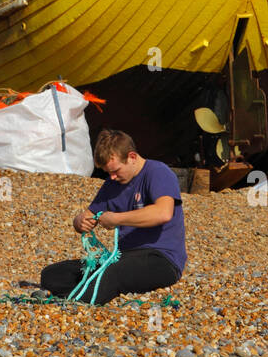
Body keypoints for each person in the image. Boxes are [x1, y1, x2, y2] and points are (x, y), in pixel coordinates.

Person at [39, 129, 187, 305]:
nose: (113, 177)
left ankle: (76, 302)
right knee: (52, 274)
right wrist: (80, 222)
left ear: (132, 157)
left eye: (116, 171)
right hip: (124, 257)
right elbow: (86, 216)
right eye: (108, 173)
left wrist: (117, 219)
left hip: (162, 259)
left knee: (111, 272)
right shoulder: (112, 184)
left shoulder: (158, 172)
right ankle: (83, 292)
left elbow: (163, 213)